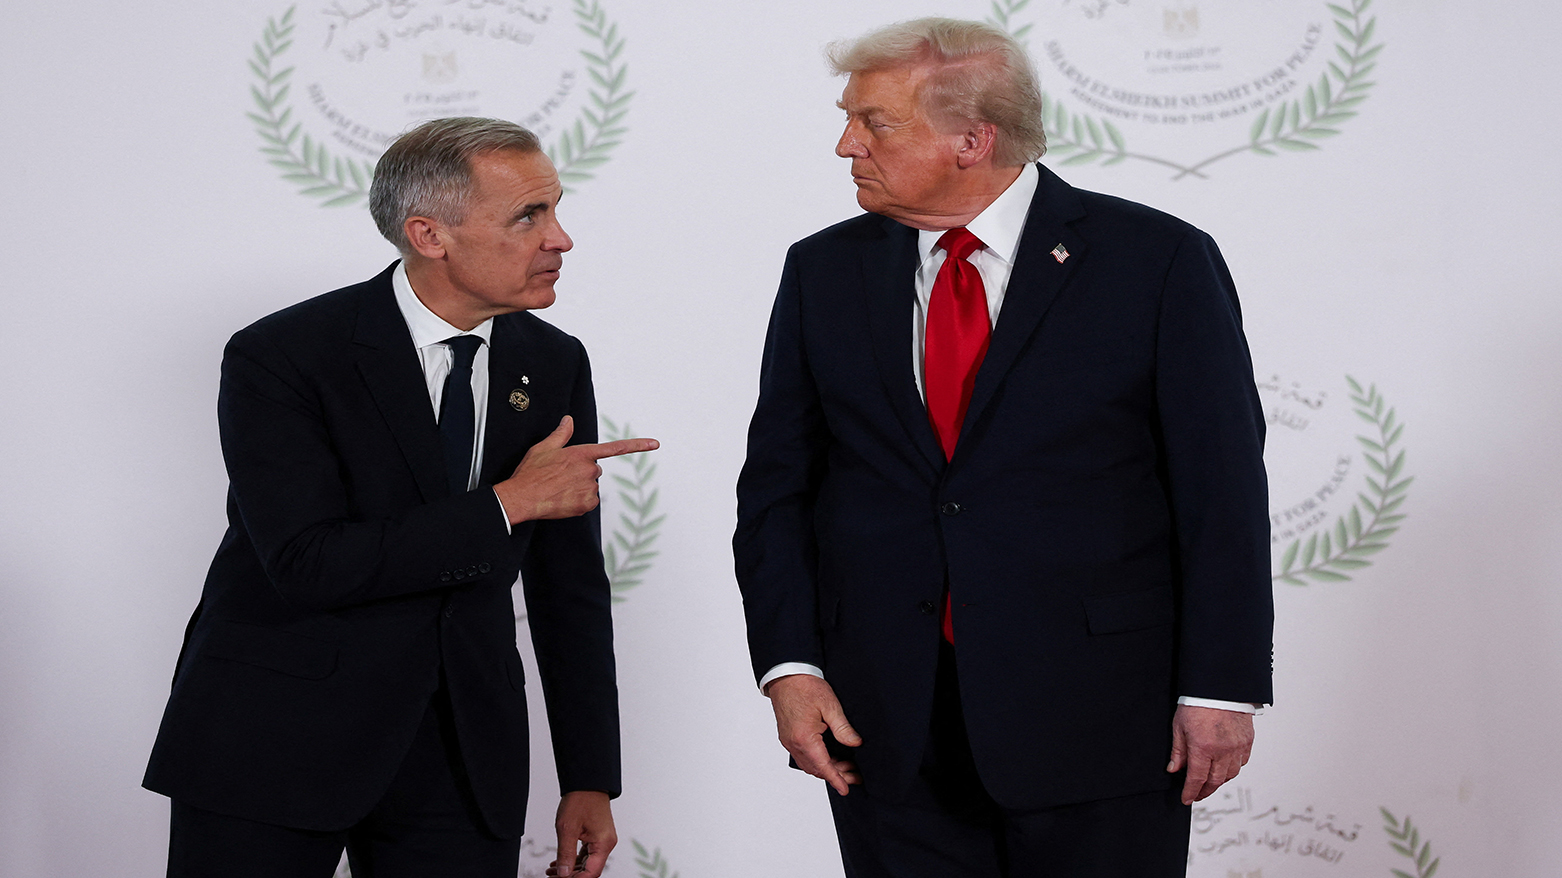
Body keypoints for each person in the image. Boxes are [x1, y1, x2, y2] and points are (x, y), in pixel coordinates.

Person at [733, 19, 1272, 877]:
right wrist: (789, 668)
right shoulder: (821, 272)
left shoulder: (1157, 261)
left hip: (1101, 719)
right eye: (850, 118)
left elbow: (1223, 492)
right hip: (888, 728)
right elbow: (778, 491)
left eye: (876, 122)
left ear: (971, 140)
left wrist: (1219, 686)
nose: (846, 145)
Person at [143, 117, 655, 878]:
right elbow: (308, 561)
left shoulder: (551, 361)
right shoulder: (281, 355)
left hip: (461, 761)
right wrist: (506, 506)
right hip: (272, 743)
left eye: (553, 208)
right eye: (528, 216)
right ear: (429, 234)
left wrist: (589, 776)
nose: (561, 239)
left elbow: (570, 590)